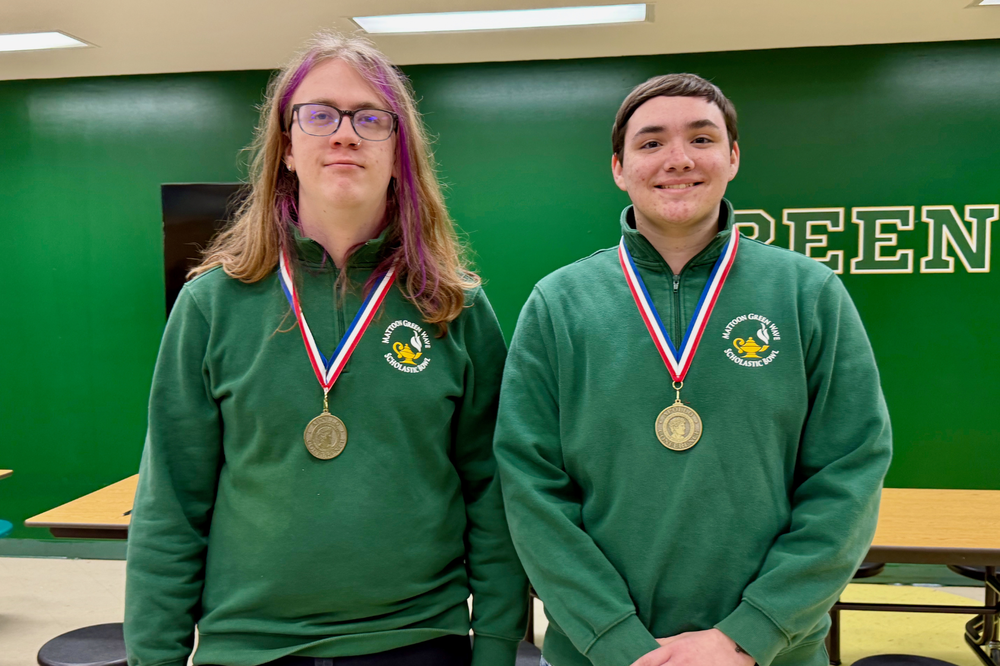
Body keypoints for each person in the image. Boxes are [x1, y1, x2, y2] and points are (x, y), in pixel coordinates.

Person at [125, 32, 528, 666]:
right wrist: (156, 656)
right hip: (248, 646)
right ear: (286, 148)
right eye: (318, 115)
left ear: (400, 154)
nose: (344, 134)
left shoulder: (456, 307)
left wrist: (499, 644)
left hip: (418, 639)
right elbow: (170, 503)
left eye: (371, 119)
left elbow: (493, 492)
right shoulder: (210, 305)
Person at [494, 74, 892, 666]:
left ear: (732, 157)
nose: (677, 159)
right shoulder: (559, 304)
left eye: (701, 139)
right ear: (619, 168)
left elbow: (849, 477)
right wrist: (615, 639)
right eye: (651, 143)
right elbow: (531, 490)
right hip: (600, 655)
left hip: (767, 654)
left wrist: (748, 635)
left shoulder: (809, 293)